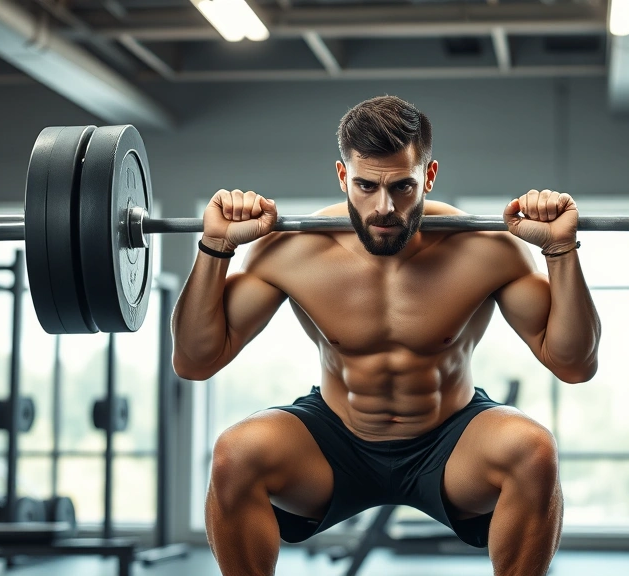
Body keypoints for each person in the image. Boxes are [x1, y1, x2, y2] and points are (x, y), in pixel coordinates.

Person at [171, 95, 601, 576]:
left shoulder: (482, 248)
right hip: (338, 439)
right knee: (235, 454)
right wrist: (214, 248)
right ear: (342, 176)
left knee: (534, 450)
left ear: (428, 176)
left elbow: (574, 364)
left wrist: (562, 251)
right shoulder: (294, 250)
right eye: (365, 186)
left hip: (449, 440)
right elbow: (195, 360)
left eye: (402, 187)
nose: (384, 208)